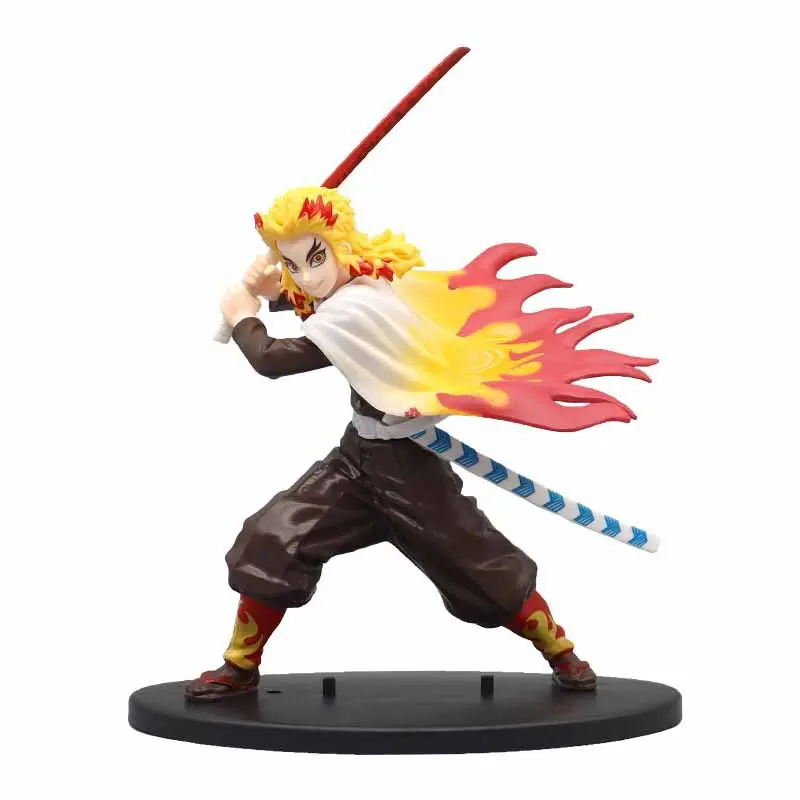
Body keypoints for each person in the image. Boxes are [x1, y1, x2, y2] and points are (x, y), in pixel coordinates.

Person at [185, 186, 655, 700]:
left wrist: (243, 314)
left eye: (316, 257)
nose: (309, 276)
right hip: (356, 462)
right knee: (274, 537)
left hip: (409, 470)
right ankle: (239, 665)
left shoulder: (359, 305)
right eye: (295, 264)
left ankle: (561, 652)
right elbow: (318, 303)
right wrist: (276, 290)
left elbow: (274, 359)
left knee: (481, 567)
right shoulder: (361, 287)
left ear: (343, 246)